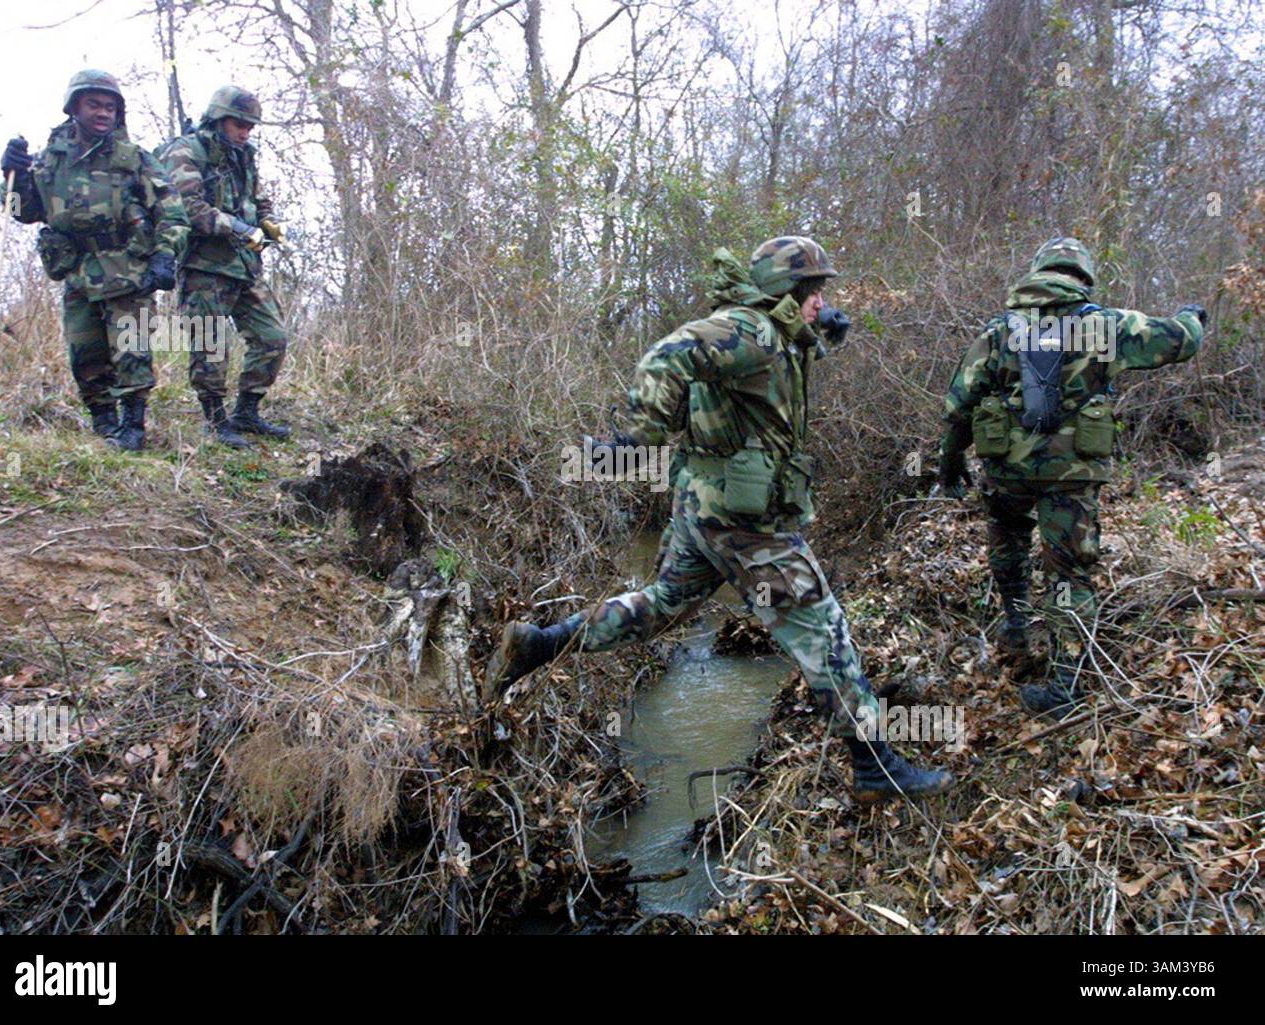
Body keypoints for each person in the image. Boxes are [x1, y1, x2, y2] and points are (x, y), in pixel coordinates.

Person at [489, 237, 955, 804]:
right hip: (743, 522)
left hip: (702, 508)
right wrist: (634, 441)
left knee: (661, 605)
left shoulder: (768, 334)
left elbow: (773, 370)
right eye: (816, 293)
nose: (822, 301)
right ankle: (874, 764)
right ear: (788, 291)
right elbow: (666, 356)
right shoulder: (751, 332)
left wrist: (826, 331)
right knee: (821, 627)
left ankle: (539, 645)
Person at [938, 237, 1206, 719]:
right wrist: (1191, 315)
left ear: (1038, 273)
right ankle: (1066, 684)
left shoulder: (1000, 330)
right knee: (1070, 573)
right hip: (1072, 472)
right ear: (1082, 277)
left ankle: (1016, 623)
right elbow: (1181, 342)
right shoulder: (1103, 325)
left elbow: (959, 404)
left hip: (1009, 469)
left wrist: (950, 461)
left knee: (1008, 535)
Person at [1, 69, 189, 450]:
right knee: (85, 353)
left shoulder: (134, 158)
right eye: (94, 104)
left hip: (129, 267)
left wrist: (165, 255)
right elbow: (22, 211)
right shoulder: (50, 161)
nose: (103, 113)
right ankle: (104, 424)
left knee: (131, 350)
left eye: (110, 107)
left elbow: (172, 210)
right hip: (78, 271)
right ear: (74, 108)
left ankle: (133, 428)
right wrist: (12, 176)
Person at [159, 86, 290, 447]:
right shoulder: (186, 151)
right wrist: (237, 227)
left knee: (272, 337)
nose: (245, 131)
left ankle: (247, 412)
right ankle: (215, 421)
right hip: (204, 267)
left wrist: (270, 223)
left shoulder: (243, 156)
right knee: (211, 346)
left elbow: (259, 199)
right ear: (218, 119)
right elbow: (188, 208)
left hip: (245, 266)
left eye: (250, 125)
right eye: (238, 123)